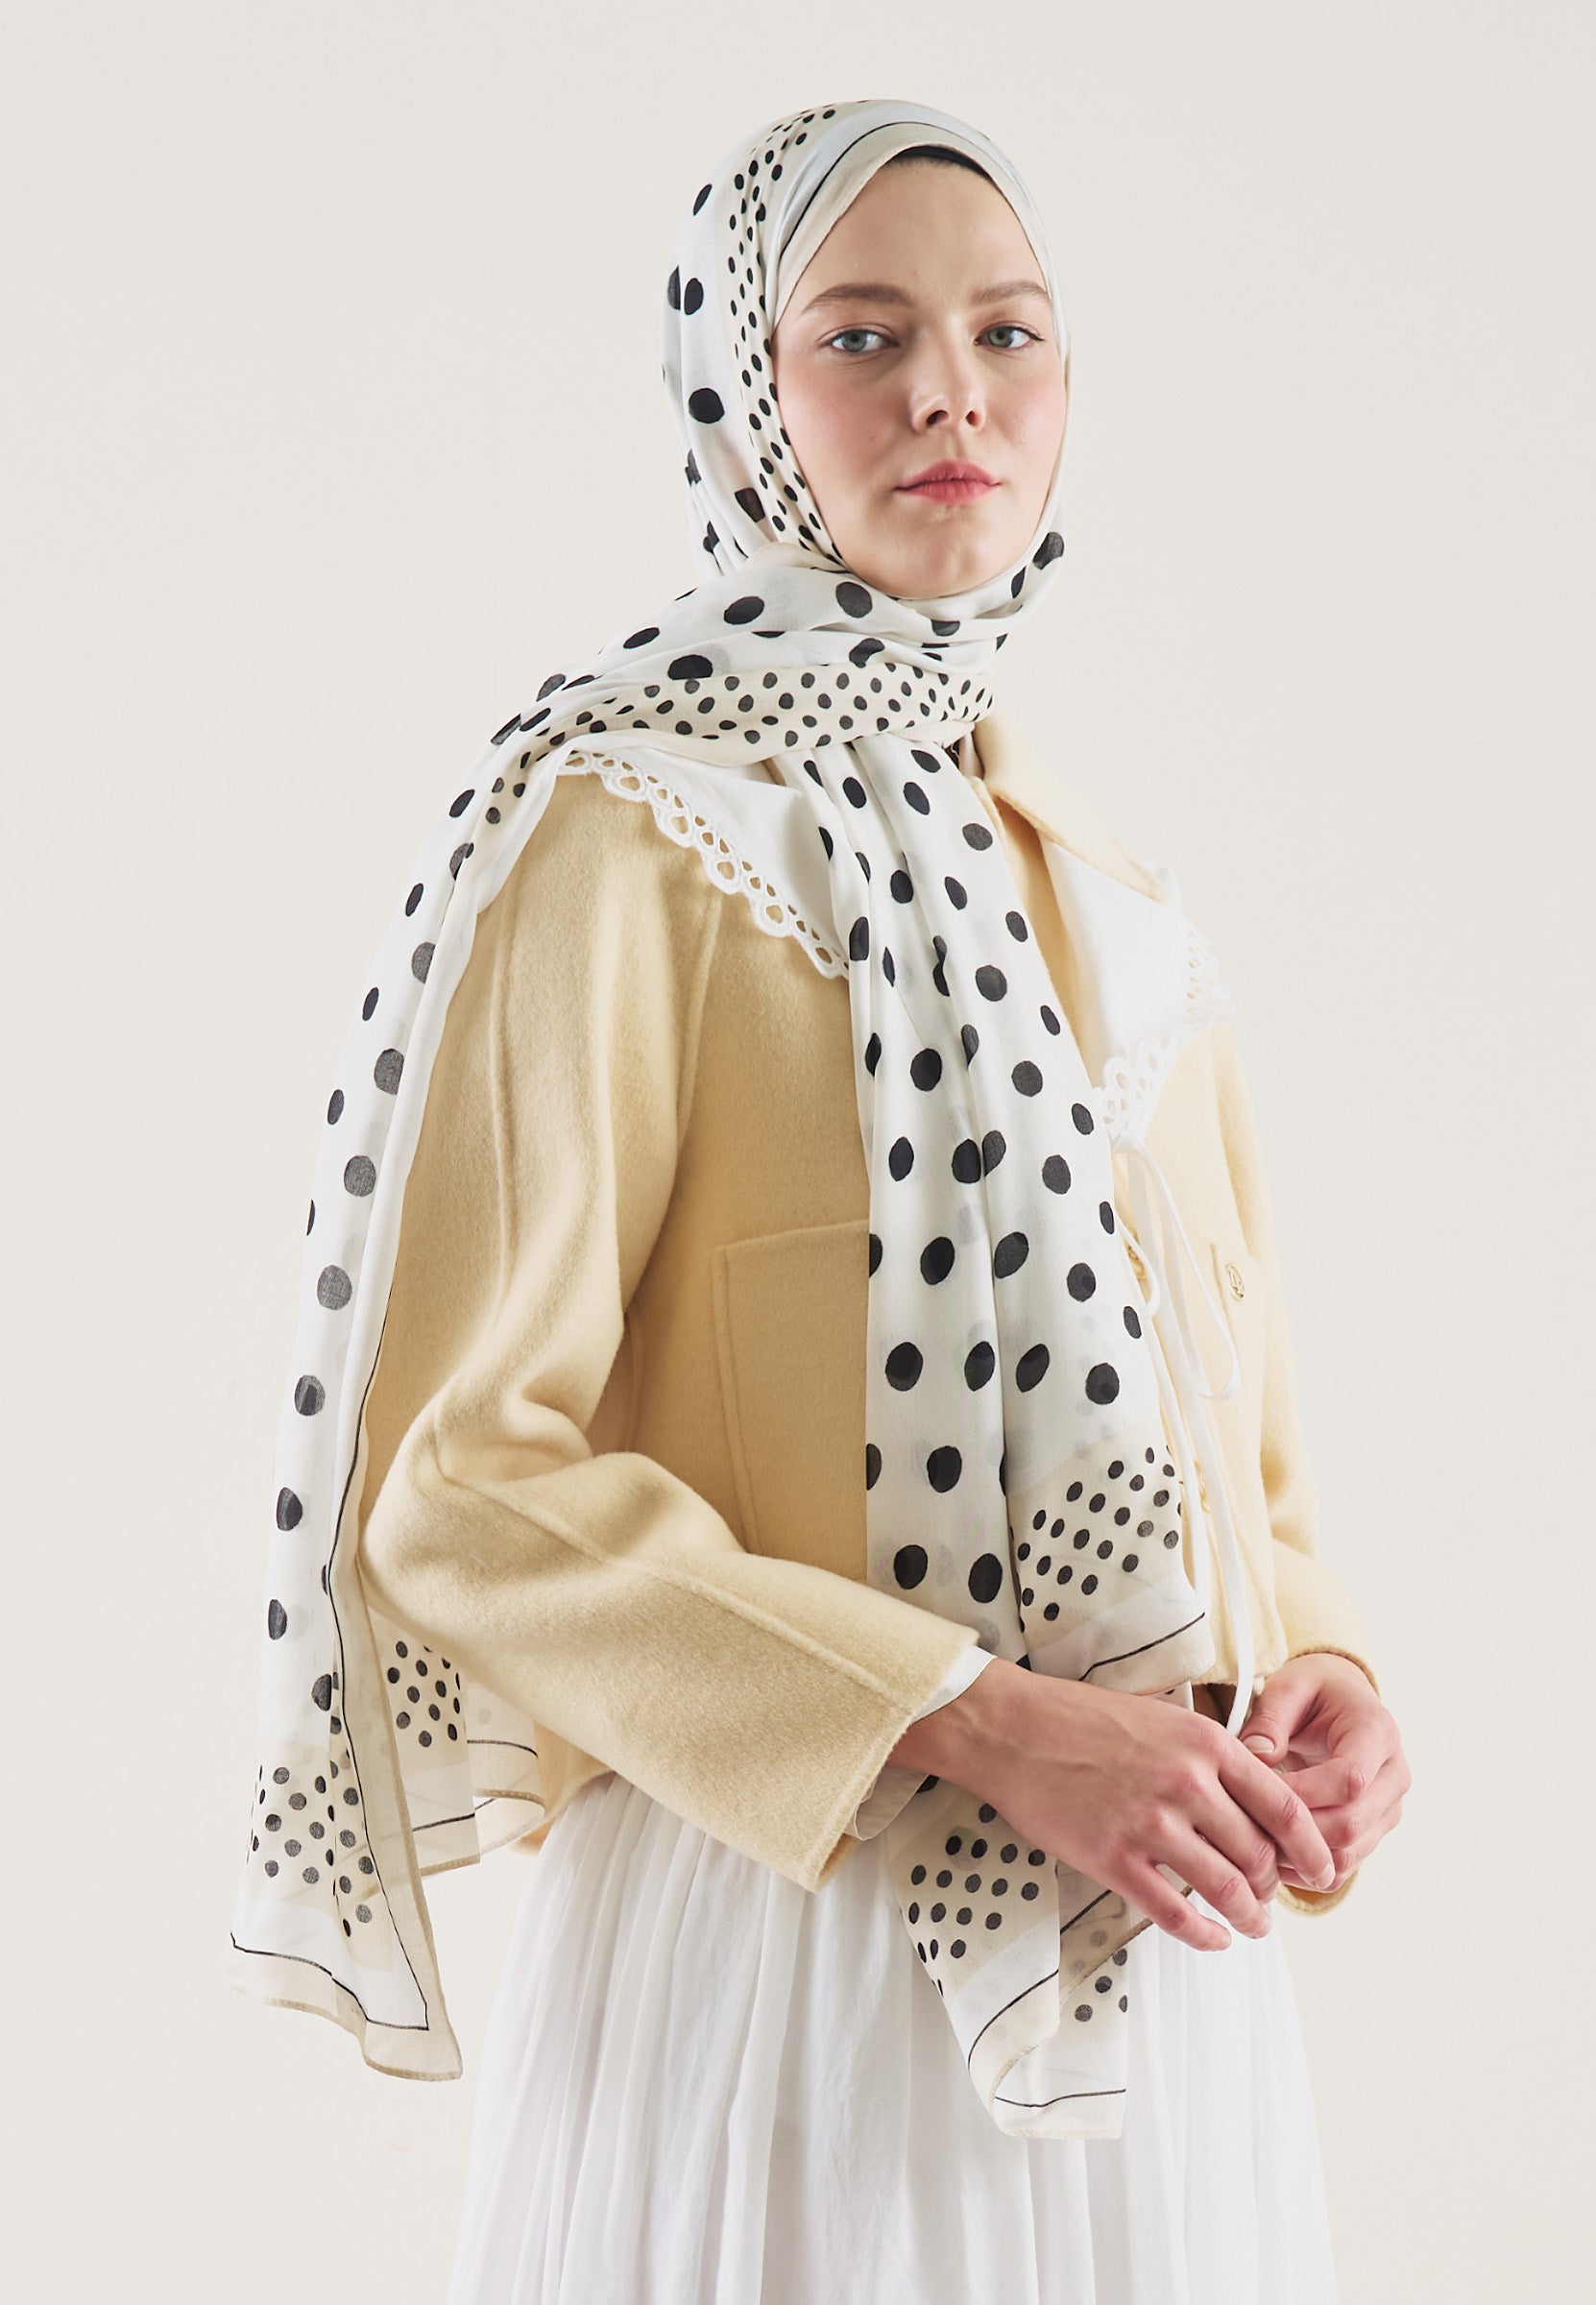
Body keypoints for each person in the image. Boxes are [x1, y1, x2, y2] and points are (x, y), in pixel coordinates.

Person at [230, 98, 1408, 2305]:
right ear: (739, 392)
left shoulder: (1118, 899)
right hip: (790, 1951)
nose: (953, 392)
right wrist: (974, 1712)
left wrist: (1321, 1671)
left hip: (1160, 1965)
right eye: (863, 336)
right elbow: (461, 1492)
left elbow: (1248, 1473)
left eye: (1008, 332)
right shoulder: (625, 835)